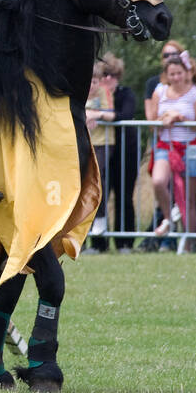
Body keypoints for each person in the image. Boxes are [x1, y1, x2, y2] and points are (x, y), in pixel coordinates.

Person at [147, 55, 196, 242]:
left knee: (189, 199)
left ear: (187, 73)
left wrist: (182, 119)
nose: (175, 77)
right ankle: (168, 217)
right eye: (172, 74)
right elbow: (151, 124)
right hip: (166, 145)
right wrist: (164, 119)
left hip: (190, 147)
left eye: (179, 73)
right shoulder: (160, 92)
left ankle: (188, 243)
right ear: (166, 75)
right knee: (158, 181)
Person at [100, 53, 139, 251]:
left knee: (125, 195)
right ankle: (99, 243)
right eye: (104, 75)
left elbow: (126, 114)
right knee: (99, 197)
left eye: (112, 75)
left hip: (126, 152)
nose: (108, 79)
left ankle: (125, 242)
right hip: (102, 151)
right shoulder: (94, 96)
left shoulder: (126, 94)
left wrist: (100, 115)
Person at [84, 60, 115, 250]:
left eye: (95, 82)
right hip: (85, 143)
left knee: (98, 179)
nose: (92, 87)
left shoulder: (104, 92)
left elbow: (111, 114)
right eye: (89, 82)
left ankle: (101, 218)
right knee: (85, 185)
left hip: (103, 143)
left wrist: (95, 115)